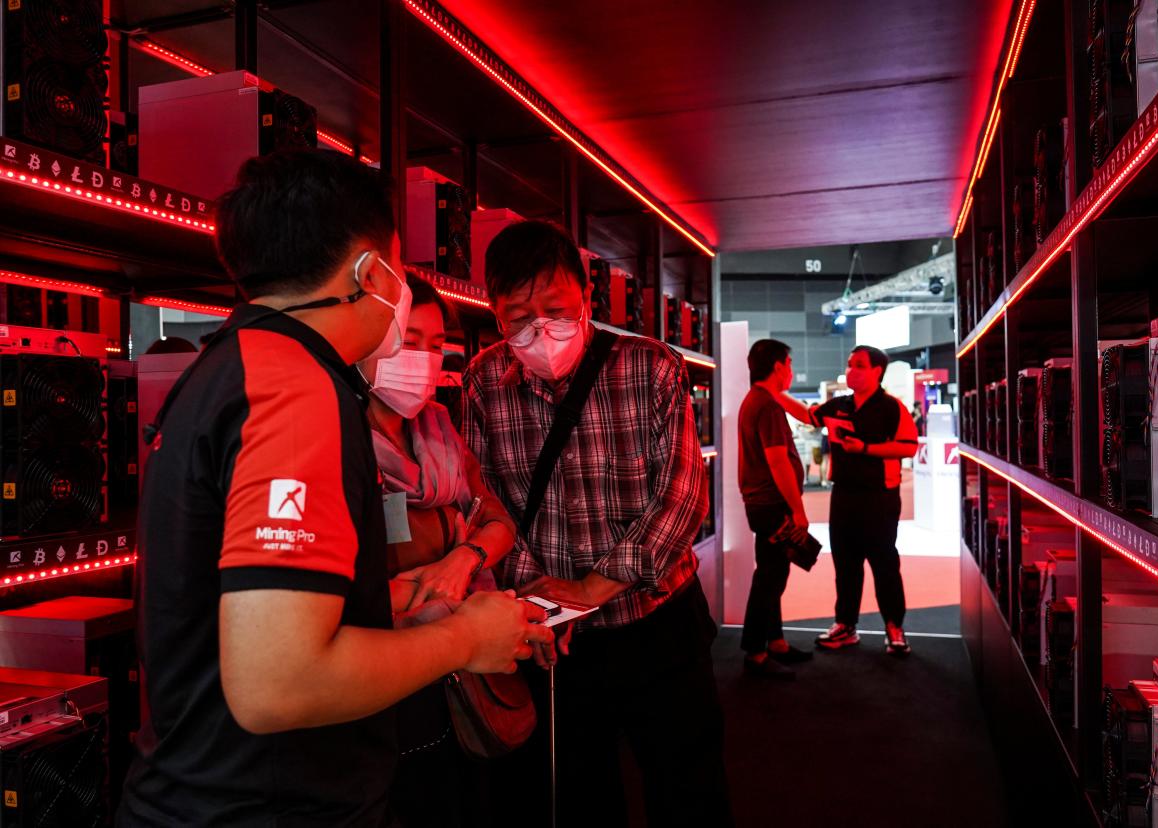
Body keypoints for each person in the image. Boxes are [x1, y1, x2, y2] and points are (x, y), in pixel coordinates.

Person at [118, 150, 552, 827]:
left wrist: (410, 606)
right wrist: (465, 641)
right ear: (370, 273)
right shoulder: (295, 389)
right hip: (264, 806)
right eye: (401, 270)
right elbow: (277, 683)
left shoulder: (226, 371)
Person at [462, 219, 732, 827]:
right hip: (553, 639)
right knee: (574, 796)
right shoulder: (483, 380)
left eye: (555, 309)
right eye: (517, 317)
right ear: (494, 313)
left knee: (688, 789)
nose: (540, 331)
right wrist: (540, 597)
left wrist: (590, 590)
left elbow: (683, 499)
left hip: (656, 625)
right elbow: (483, 498)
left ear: (586, 297)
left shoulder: (653, 366)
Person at [359, 274, 518, 827]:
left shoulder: (438, 425)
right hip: (385, 671)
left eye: (435, 343)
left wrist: (464, 559)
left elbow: (497, 520)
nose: (424, 358)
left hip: (462, 665)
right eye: (409, 340)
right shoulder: (340, 439)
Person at [809, 345, 918, 656]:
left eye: (859, 365)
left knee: (885, 564)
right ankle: (845, 625)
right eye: (849, 364)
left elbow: (909, 446)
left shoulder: (891, 407)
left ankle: (895, 627)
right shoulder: (838, 405)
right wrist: (770, 392)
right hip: (843, 494)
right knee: (845, 565)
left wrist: (866, 449)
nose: (851, 370)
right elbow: (808, 415)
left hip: (880, 497)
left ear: (876, 371)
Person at [737, 339, 814, 679]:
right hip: (772, 504)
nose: (791, 371)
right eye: (790, 363)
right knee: (770, 577)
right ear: (780, 366)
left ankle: (775, 641)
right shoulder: (766, 406)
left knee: (771, 572)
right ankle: (755, 651)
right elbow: (778, 461)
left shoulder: (760, 400)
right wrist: (797, 509)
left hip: (762, 502)